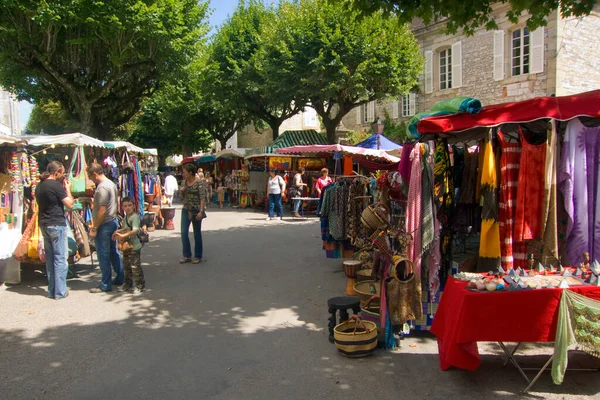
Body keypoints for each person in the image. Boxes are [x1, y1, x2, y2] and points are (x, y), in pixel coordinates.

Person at [35, 161, 74, 300]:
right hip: (56, 224)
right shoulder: (56, 185)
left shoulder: (39, 186)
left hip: (44, 224)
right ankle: (60, 291)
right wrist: (68, 188)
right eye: (62, 173)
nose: (63, 176)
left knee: (50, 259)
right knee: (60, 258)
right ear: (57, 172)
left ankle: (52, 290)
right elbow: (70, 204)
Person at [87, 163, 124, 293]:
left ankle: (105, 283)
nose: (90, 179)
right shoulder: (111, 184)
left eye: (90, 176)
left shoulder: (102, 188)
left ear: (95, 174)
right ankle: (120, 277)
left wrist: (95, 227)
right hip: (112, 221)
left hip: (104, 224)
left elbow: (102, 209)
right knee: (113, 252)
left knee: (103, 254)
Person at [112, 197, 145, 292]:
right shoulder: (126, 217)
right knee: (127, 266)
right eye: (125, 206)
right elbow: (126, 228)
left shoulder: (134, 217)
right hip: (127, 246)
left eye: (130, 205)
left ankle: (140, 286)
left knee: (135, 267)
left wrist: (123, 235)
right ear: (122, 207)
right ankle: (127, 284)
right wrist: (118, 232)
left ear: (134, 206)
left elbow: (134, 231)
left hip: (134, 246)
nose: (128, 208)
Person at [179, 163, 208, 264]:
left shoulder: (199, 183)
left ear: (190, 172)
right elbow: (181, 198)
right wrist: (182, 191)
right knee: (183, 233)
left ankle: (198, 256)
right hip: (186, 209)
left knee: (196, 233)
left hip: (196, 210)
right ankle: (187, 255)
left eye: (184, 172)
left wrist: (201, 211)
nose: (183, 174)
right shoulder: (184, 182)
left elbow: (202, 197)